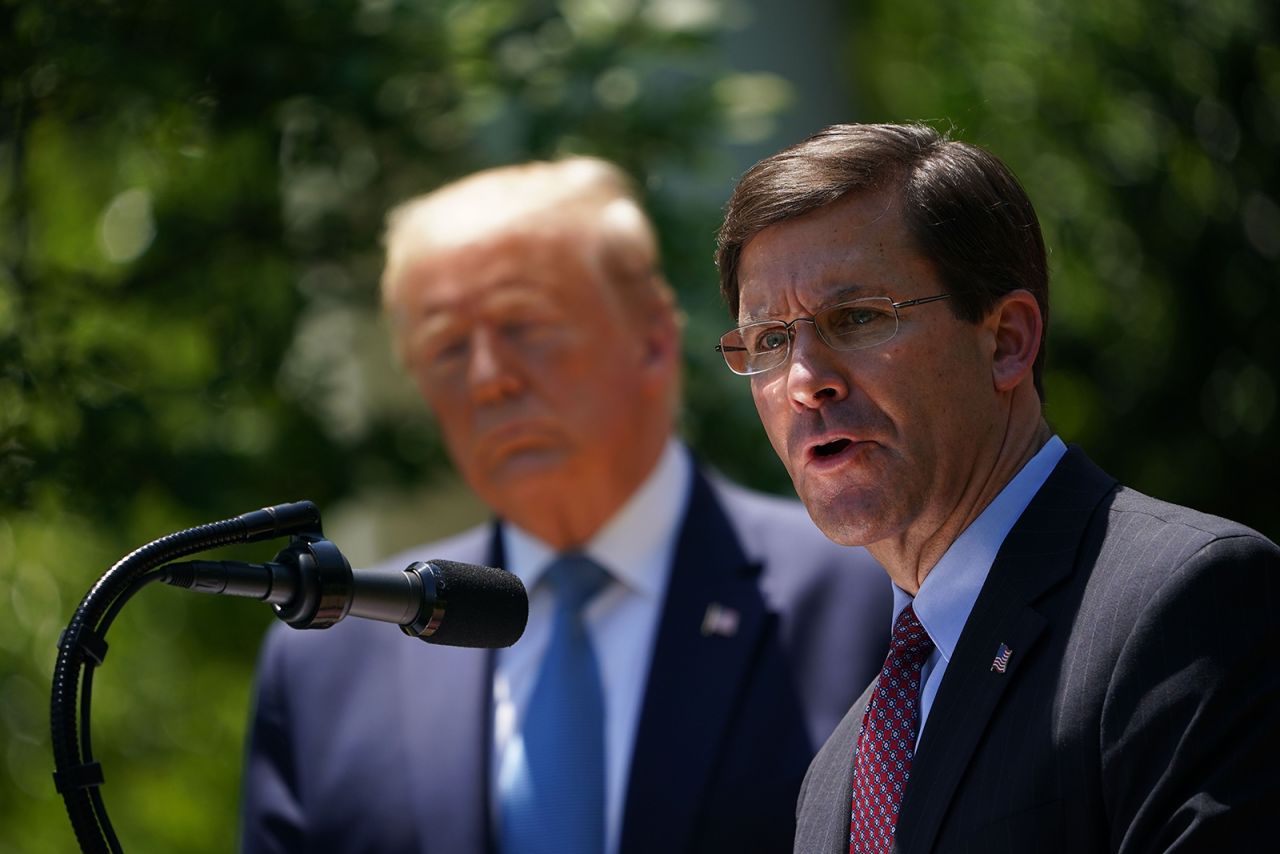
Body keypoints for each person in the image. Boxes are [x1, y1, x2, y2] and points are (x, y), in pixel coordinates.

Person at [239, 156, 891, 854]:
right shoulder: (330, 663)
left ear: (653, 338)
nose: (489, 378)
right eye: (448, 348)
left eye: (524, 326)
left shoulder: (867, 598)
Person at [713, 122, 1279, 853]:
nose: (804, 380)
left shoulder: (1188, 603)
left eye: (855, 318)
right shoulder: (838, 774)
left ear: (1007, 340)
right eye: (768, 341)